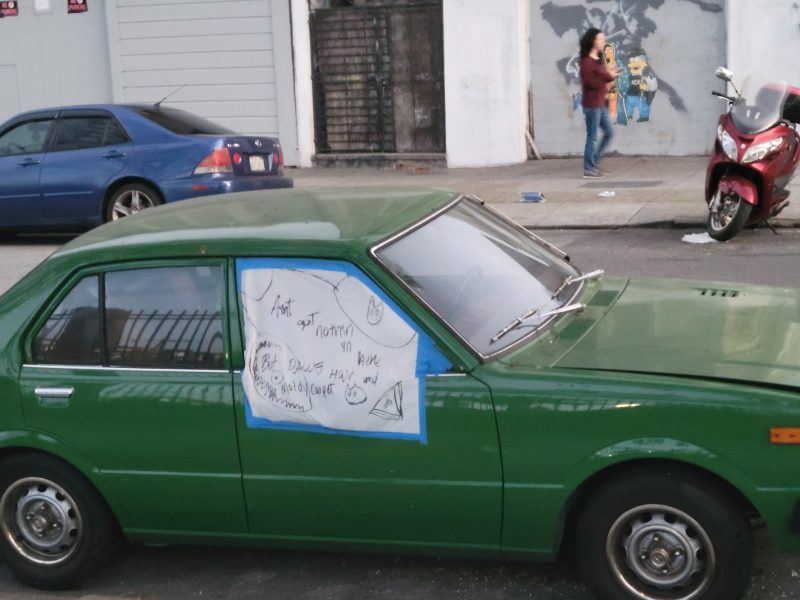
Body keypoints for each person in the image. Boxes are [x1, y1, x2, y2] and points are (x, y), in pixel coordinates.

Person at [579, 28, 620, 178]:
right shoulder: (587, 62)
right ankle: (588, 169)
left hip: (600, 103)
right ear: (593, 41)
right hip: (591, 105)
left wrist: (609, 75)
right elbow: (590, 84)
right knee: (592, 136)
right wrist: (607, 76)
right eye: (600, 39)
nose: (603, 42)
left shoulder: (597, 59)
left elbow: (601, 78)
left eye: (604, 39)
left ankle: (593, 162)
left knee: (609, 132)